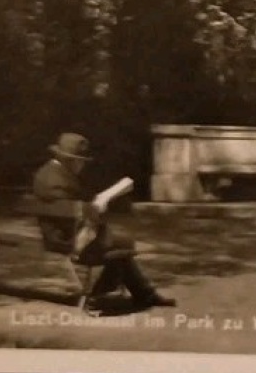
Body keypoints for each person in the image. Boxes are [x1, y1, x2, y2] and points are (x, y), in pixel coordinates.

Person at [32, 133, 174, 313]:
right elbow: (74, 211)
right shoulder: (57, 180)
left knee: (119, 244)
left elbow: (72, 208)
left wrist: (94, 206)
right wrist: (96, 207)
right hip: (65, 239)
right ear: (70, 160)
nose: (82, 166)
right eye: (81, 161)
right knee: (121, 244)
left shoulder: (49, 172)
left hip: (62, 232)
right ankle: (99, 294)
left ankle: (144, 294)